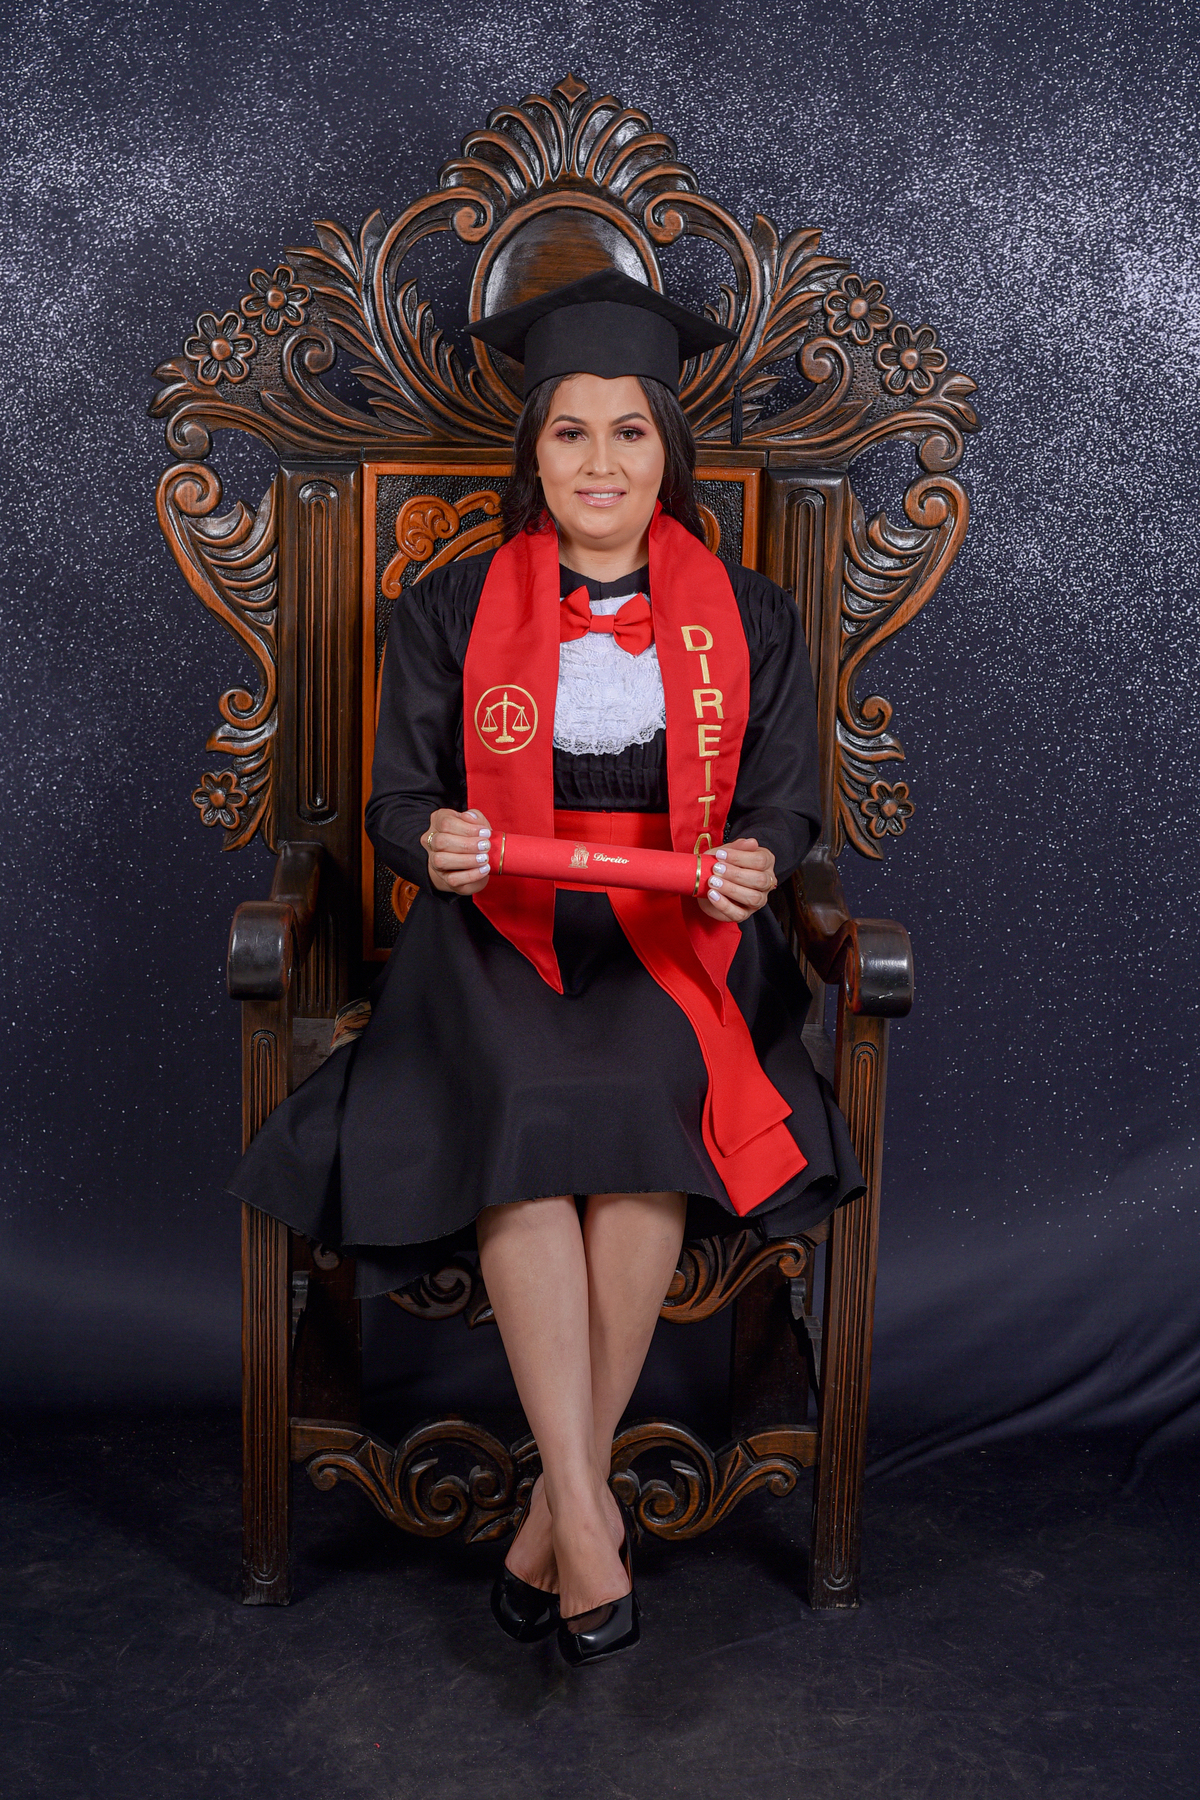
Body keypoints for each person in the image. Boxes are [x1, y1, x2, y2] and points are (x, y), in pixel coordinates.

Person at [229, 269, 863, 1665]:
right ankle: (588, 1516)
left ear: (667, 451)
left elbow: (788, 803)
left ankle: (550, 1526)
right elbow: (397, 800)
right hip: (496, 936)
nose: (599, 462)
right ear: (533, 451)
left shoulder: (749, 613)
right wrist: (434, 841)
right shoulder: (450, 607)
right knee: (520, 1113)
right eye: (570, 432)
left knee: (642, 1118)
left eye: (628, 431)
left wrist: (759, 857)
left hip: (677, 936)